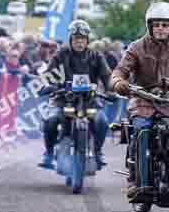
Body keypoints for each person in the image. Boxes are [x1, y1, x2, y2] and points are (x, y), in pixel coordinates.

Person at [110, 1, 169, 199]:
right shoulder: (136, 47)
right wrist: (118, 81)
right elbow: (120, 70)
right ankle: (138, 182)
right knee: (143, 129)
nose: (161, 29)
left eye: (165, 25)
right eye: (157, 25)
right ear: (150, 26)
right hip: (144, 101)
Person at [39, 20, 113, 170]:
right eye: (76, 39)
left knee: (102, 122)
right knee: (51, 120)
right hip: (64, 98)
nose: (79, 42)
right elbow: (48, 74)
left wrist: (112, 90)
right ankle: (49, 152)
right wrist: (46, 85)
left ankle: (97, 152)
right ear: (70, 40)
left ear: (87, 40)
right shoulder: (61, 55)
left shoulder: (96, 56)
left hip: (90, 99)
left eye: (82, 39)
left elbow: (107, 77)